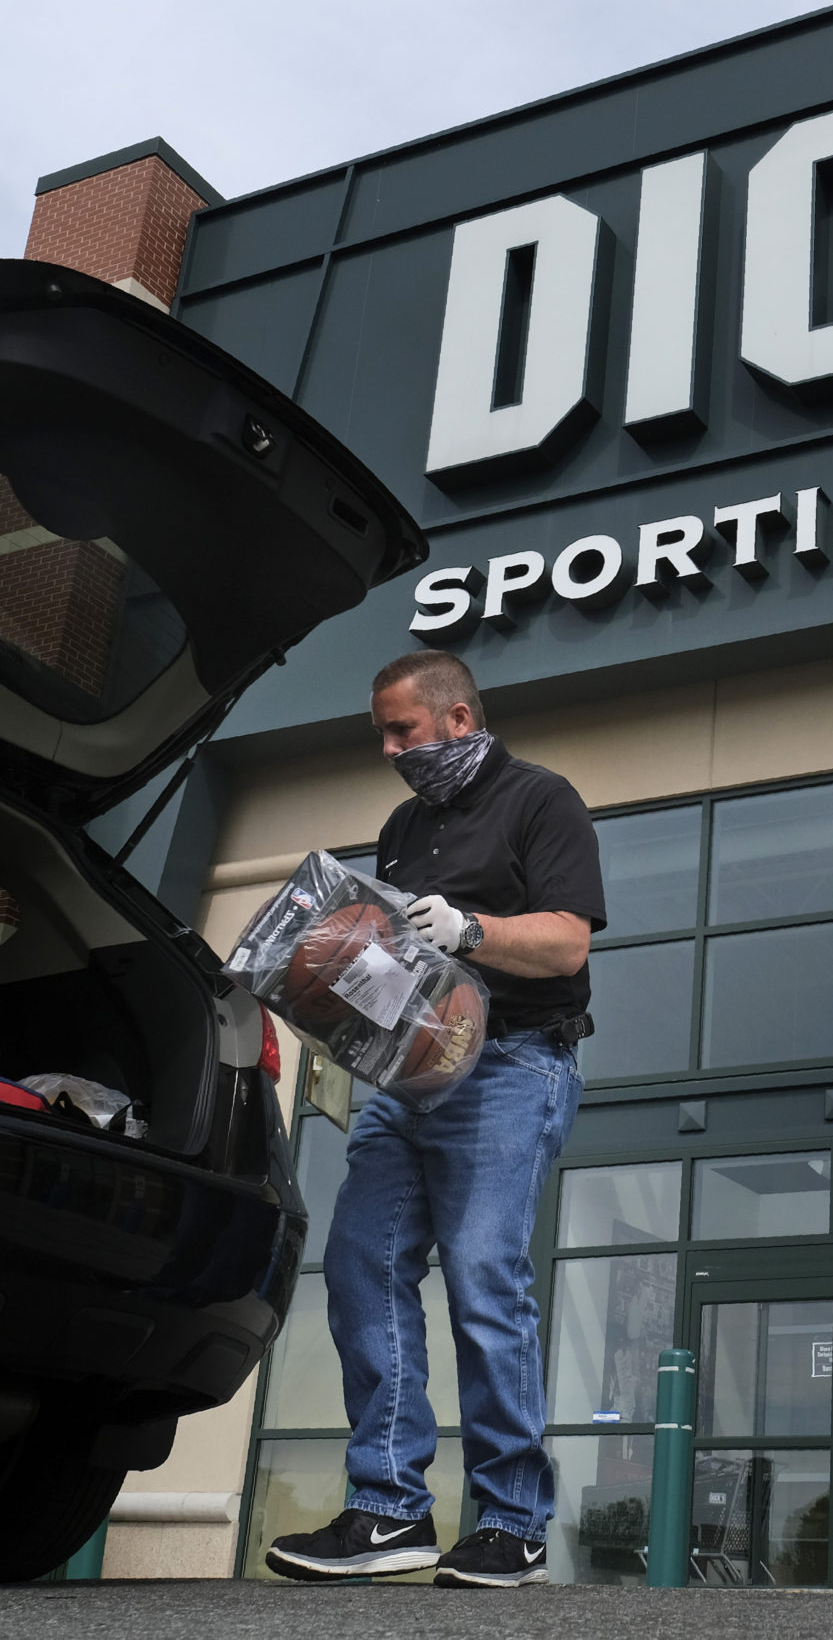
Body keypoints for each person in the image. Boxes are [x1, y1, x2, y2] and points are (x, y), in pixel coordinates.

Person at [266, 650, 603, 1590]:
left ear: (457, 719)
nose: (388, 749)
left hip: (514, 1065)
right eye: (381, 732)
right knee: (357, 1262)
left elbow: (569, 939)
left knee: (484, 1275)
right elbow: (391, 963)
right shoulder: (401, 826)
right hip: (411, 1080)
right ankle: (387, 1511)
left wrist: (472, 930)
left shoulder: (543, 800)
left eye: (401, 729)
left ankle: (511, 1521)